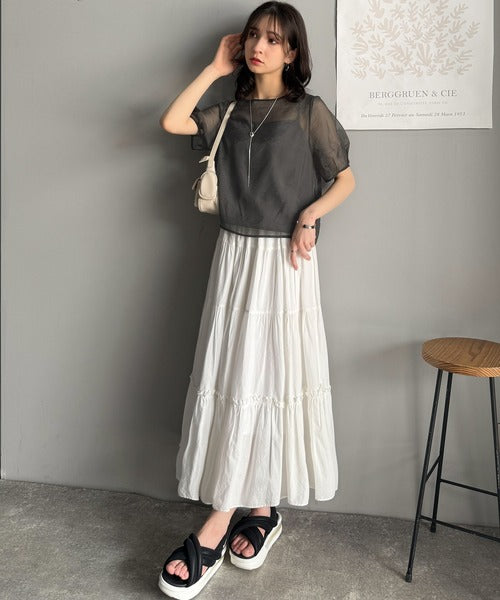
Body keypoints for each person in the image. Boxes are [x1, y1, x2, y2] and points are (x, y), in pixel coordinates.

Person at [158, 2, 355, 598]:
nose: (259, 47)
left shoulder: (309, 112)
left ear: (292, 52)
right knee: (237, 375)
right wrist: (215, 67)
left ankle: (224, 519)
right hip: (235, 256)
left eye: (273, 39)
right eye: (252, 37)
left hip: (284, 264)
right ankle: (258, 508)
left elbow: (345, 178)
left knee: (270, 375)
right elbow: (172, 122)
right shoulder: (229, 111)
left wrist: (310, 216)